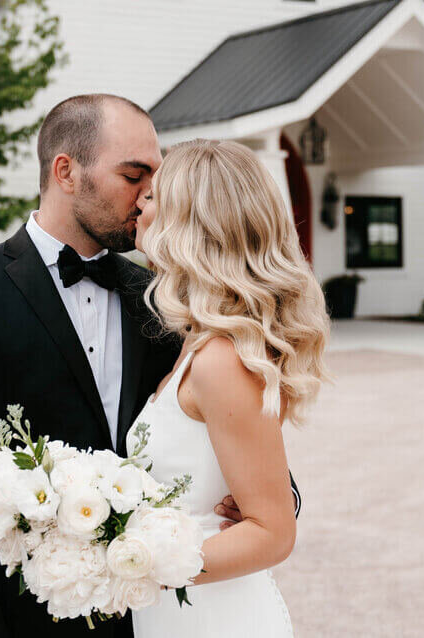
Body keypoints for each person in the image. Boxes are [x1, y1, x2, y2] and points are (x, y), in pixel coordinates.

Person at [0, 95, 299, 637]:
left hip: (148, 612)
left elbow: (236, 438)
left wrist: (272, 502)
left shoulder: (158, 299)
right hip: (23, 622)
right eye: (133, 175)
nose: (146, 198)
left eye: (155, 180)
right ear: (66, 171)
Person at [127, 139, 332, 637]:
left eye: (152, 197)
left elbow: (273, 533)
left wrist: (125, 566)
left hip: (211, 616)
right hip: (175, 608)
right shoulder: (196, 341)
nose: (138, 204)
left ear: (188, 221)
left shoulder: (220, 359)